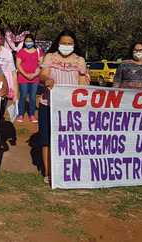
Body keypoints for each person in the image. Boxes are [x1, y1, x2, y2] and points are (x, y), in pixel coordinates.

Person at [39, 30, 89, 184]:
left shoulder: (79, 60)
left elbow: (82, 82)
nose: (66, 46)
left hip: (70, 107)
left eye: (69, 43)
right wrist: (46, 79)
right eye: (63, 43)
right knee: (47, 139)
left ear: (74, 45)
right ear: (58, 43)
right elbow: (42, 75)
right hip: (48, 104)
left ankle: (66, 171)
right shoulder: (50, 57)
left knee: (68, 140)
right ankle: (48, 173)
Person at [0, 25, 19, 118]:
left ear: (1, 37)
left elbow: (13, 74)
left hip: (2, 91)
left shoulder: (7, 52)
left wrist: (16, 94)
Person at [15, 33, 43, 123]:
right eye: (27, 41)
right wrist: (26, 75)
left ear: (33, 42)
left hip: (35, 78)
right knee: (23, 96)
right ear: (24, 42)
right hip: (23, 78)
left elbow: (41, 65)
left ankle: (32, 115)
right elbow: (18, 65)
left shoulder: (39, 51)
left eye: (30, 41)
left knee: (33, 97)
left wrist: (34, 74)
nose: (28, 43)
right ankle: (20, 114)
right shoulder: (21, 52)